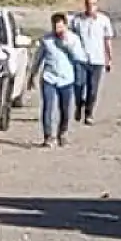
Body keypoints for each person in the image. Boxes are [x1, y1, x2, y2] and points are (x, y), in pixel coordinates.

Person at [30, 12, 84, 147]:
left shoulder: (74, 39)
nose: (57, 30)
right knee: (48, 107)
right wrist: (32, 75)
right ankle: (48, 136)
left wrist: (66, 45)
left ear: (65, 25)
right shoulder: (46, 40)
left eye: (60, 27)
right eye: (55, 27)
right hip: (49, 78)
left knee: (65, 109)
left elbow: (80, 57)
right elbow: (38, 58)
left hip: (67, 79)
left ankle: (63, 133)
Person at [69, 0, 114, 125]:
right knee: (78, 84)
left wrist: (109, 58)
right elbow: (71, 38)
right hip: (80, 59)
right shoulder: (77, 20)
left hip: (97, 60)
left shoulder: (104, 20)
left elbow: (107, 40)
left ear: (97, 5)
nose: (90, 7)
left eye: (93, 4)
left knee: (93, 89)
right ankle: (79, 105)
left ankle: (89, 113)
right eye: (88, 4)